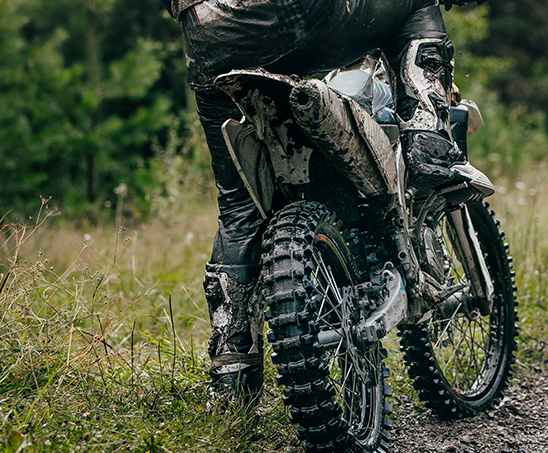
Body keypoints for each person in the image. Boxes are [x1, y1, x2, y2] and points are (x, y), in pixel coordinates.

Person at [161, 0, 492, 404]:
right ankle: (429, 139)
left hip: (209, 33)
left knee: (239, 208)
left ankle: (232, 386)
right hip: (299, 11)